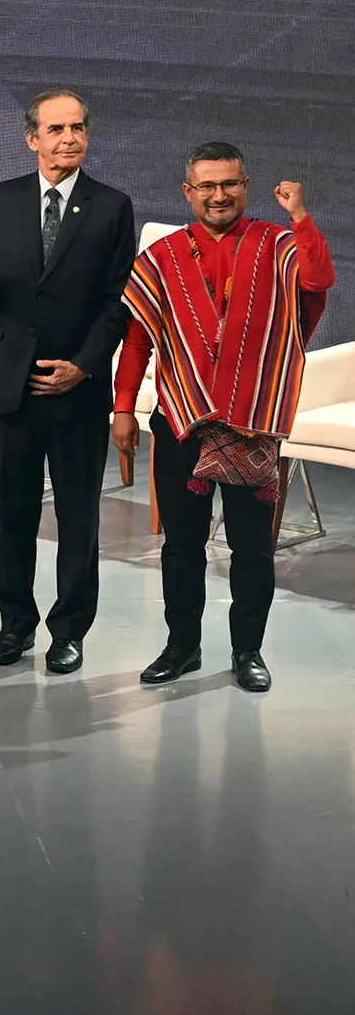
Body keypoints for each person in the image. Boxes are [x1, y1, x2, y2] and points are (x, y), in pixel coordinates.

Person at [112, 145, 335, 692]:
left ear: (246, 185)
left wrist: (301, 217)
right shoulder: (161, 256)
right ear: (188, 191)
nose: (219, 196)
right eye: (207, 186)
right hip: (181, 419)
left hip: (252, 421)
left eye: (230, 184)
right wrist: (122, 408)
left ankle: (248, 651)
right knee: (181, 545)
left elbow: (319, 282)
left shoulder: (278, 244)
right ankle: (181, 646)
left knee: (253, 548)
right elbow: (138, 341)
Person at [0, 89, 136, 675]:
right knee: (10, 511)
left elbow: (118, 301)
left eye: (78, 127)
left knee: (78, 512)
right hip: (11, 385)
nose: (68, 137)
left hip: (77, 388)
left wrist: (83, 366)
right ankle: (14, 623)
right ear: (32, 137)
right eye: (56, 128)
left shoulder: (111, 206)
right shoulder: (1, 199)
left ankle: (69, 629)